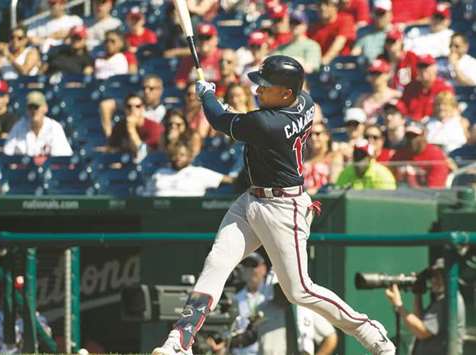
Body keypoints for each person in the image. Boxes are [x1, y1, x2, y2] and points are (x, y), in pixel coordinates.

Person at [151, 55, 396, 355]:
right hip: (252, 199)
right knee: (217, 262)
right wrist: (224, 107)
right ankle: (181, 340)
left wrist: (207, 95)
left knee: (299, 291)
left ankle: (366, 328)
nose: (258, 90)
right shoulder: (305, 102)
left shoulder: (269, 124)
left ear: (285, 93)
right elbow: (242, 120)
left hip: (284, 208)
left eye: (265, 86)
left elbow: (218, 120)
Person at [384, 258, 466, 355]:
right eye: (433, 276)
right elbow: (419, 321)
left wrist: (398, 304)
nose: (435, 279)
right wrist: (417, 293)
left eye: (441, 276)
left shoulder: (449, 300)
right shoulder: (441, 299)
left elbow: (422, 332)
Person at [256, 271, 339, 355]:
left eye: (285, 286)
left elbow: (330, 337)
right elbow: (252, 334)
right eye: (278, 286)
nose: (282, 290)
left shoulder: (306, 308)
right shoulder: (262, 309)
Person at [142, 142, 233, 197]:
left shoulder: (198, 172)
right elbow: (147, 195)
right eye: (174, 155)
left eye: (182, 155)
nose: (178, 158)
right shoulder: (160, 173)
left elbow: (230, 180)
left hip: (190, 216)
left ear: (189, 157)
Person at [4, 91, 72, 157]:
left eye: (36, 107)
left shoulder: (54, 128)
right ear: (27, 110)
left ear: (45, 108)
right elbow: (7, 155)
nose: (34, 111)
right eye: (31, 107)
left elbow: (63, 158)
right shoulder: (18, 128)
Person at [390, 121, 449, 189]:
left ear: (424, 135)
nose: (412, 140)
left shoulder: (435, 156)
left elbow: (435, 189)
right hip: (399, 196)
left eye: (415, 136)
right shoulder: (400, 154)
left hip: (425, 196)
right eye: (409, 136)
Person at [398, 54, 453, 121]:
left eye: (426, 66)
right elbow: (402, 107)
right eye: (420, 67)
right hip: (411, 125)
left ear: (435, 68)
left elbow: (448, 111)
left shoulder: (444, 88)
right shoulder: (410, 87)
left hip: (434, 124)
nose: (423, 70)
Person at [272, 10, 322, 74]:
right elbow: (272, 64)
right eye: (291, 22)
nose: (294, 25)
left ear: (305, 25)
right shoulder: (281, 47)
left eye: (297, 22)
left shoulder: (312, 46)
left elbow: (310, 68)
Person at [308, 0, 356, 65]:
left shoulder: (345, 20)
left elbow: (339, 43)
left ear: (335, 6)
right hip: (318, 66)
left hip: (340, 64)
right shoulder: (313, 27)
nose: (322, 8)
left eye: (327, 4)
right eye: (319, 4)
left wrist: (324, 61)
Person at [175, 23, 222, 88]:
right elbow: (180, 83)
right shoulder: (189, 59)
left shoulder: (223, 57)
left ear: (216, 39)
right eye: (201, 37)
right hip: (195, 95)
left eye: (207, 37)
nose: (204, 41)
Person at [303, 122, 343, 195]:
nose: (313, 138)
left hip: (325, 199)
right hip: (304, 201)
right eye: (310, 135)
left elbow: (334, 182)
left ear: (327, 136)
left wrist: (315, 191)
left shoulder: (334, 156)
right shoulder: (303, 158)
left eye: (317, 134)